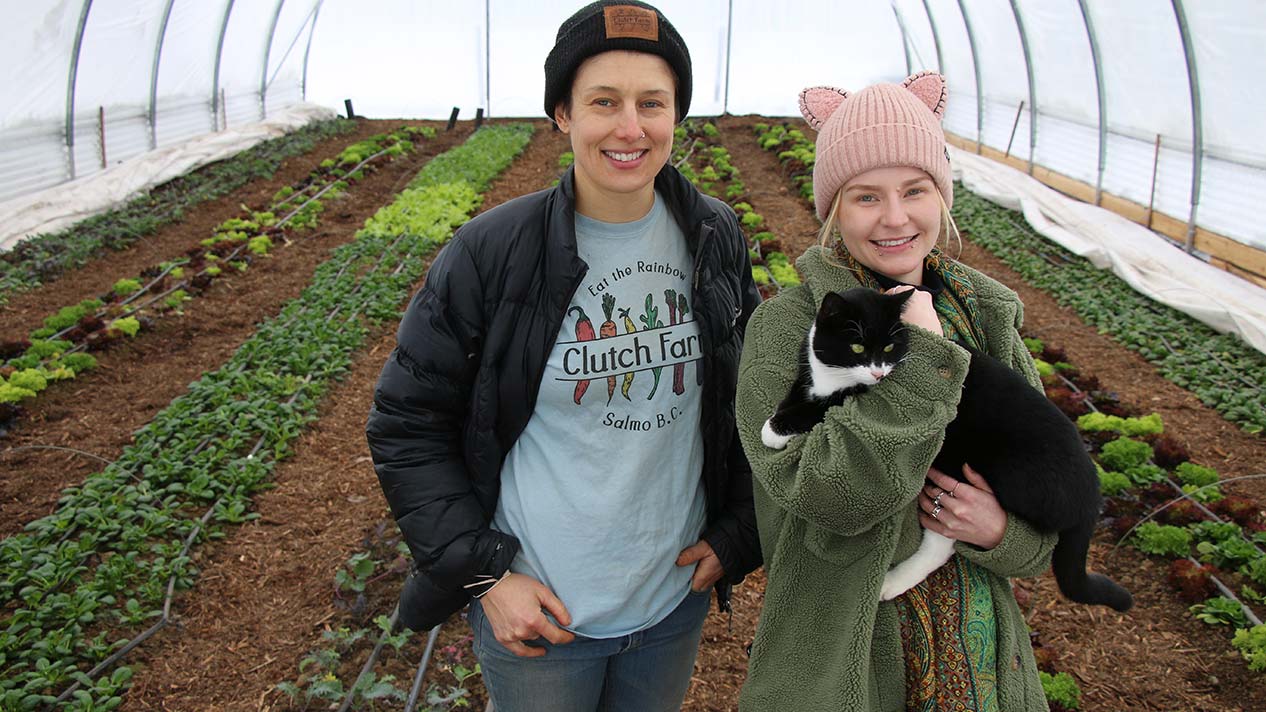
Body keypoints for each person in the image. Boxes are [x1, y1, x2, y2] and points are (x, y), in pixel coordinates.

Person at [365, 2, 761, 710]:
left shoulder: (713, 234)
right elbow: (407, 421)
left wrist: (738, 534)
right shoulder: (492, 252)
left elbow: (752, 396)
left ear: (676, 114)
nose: (630, 128)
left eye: (652, 103)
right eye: (603, 102)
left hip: (671, 602)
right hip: (544, 616)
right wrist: (487, 578)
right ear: (562, 114)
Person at [735, 72, 1054, 711]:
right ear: (833, 209)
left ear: (942, 196)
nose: (895, 218)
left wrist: (999, 531)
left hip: (985, 665)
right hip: (844, 659)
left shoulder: (984, 319)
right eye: (866, 197)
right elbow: (831, 499)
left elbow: (1046, 507)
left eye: (915, 190)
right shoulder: (788, 329)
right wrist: (919, 364)